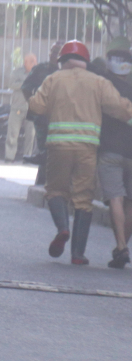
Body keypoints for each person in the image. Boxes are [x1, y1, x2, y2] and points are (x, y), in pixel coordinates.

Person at [28, 40, 132, 265]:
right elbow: (121, 109)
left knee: (55, 191)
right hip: (87, 149)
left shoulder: (53, 79)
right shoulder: (98, 82)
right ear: (85, 60)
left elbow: (35, 107)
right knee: (83, 199)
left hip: (58, 146)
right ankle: (77, 254)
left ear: (62, 60)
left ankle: (63, 228)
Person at [95, 37, 132, 269]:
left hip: (109, 150)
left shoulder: (102, 84)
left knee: (116, 198)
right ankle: (123, 246)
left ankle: (121, 246)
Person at [22, 41, 65, 183]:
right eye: (53, 52)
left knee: (57, 150)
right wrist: (33, 103)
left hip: (62, 117)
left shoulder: (67, 72)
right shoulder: (40, 69)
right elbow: (26, 87)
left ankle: (49, 181)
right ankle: (42, 182)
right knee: (44, 149)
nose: (54, 55)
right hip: (42, 116)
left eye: (58, 52)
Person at [5, 53, 37, 163]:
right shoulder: (17, 72)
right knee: (13, 133)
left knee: (31, 135)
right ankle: (9, 157)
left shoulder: (38, 73)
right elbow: (11, 84)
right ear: (25, 62)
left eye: (35, 61)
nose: (34, 63)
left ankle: (27, 157)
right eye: (31, 61)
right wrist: (26, 82)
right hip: (17, 107)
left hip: (32, 108)